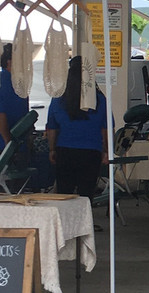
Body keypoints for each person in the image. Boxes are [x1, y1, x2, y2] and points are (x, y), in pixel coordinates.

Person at [45, 56, 107, 198]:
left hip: (65, 152)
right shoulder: (99, 99)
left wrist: (52, 149)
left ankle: (65, 220)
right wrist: (106, 151)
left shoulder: (59, 99)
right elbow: (106, 128)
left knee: (64, 194)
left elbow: (52, 129)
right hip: (92, 152)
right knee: (86, 195)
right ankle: (85, 220)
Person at [0, 43, 30, 176]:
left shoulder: (20, 82)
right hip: (1, 143)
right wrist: (7, 140)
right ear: (10, 61)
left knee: (18, 186)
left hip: (20, 142)